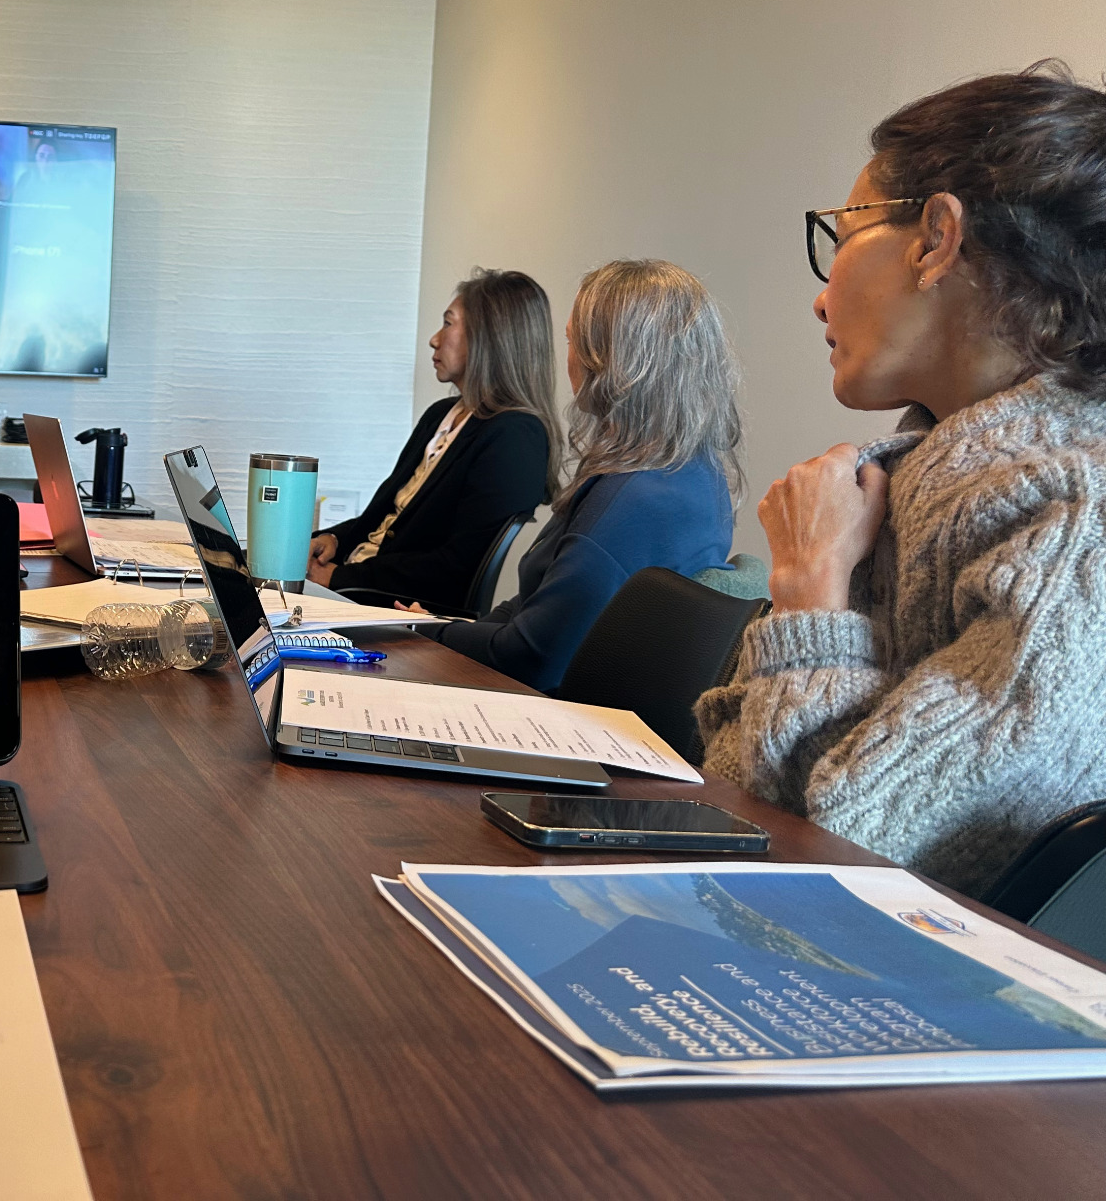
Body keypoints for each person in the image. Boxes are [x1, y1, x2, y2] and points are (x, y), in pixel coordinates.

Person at [698, 64, 1106, 899]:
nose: (821, 303)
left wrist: (811, 593)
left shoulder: (1076, 529)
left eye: (840, 235)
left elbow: (853, 853)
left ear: (937, 239)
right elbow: (736, 783)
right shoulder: (899, 490)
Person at [412, 260, 739, 693]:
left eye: (571, 340)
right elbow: (532, 610)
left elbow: (531, 657)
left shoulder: (632, 500)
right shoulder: (695, 476)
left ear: (608, 359)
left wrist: (420, 634)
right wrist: (441, 628)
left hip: (560, 725)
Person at [308, 269, 558, 613]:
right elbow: (384, 519)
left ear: (488, 337)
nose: (434, 339)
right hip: (355, 586)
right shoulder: (440, 414)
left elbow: (457, 567)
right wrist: (332, 540)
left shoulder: (515, 436)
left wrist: (338, 578)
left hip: (393, 607)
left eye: (448, 323)